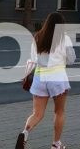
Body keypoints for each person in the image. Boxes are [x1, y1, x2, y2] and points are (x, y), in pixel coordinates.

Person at [17, 12, 76, 149]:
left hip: (40, 78)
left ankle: (25, 132)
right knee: (59, 112)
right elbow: (72, 60)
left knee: (37, 114)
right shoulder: (65, 39)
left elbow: (33, 59)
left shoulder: (38, 37)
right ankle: (56, 144)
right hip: (57, 79)